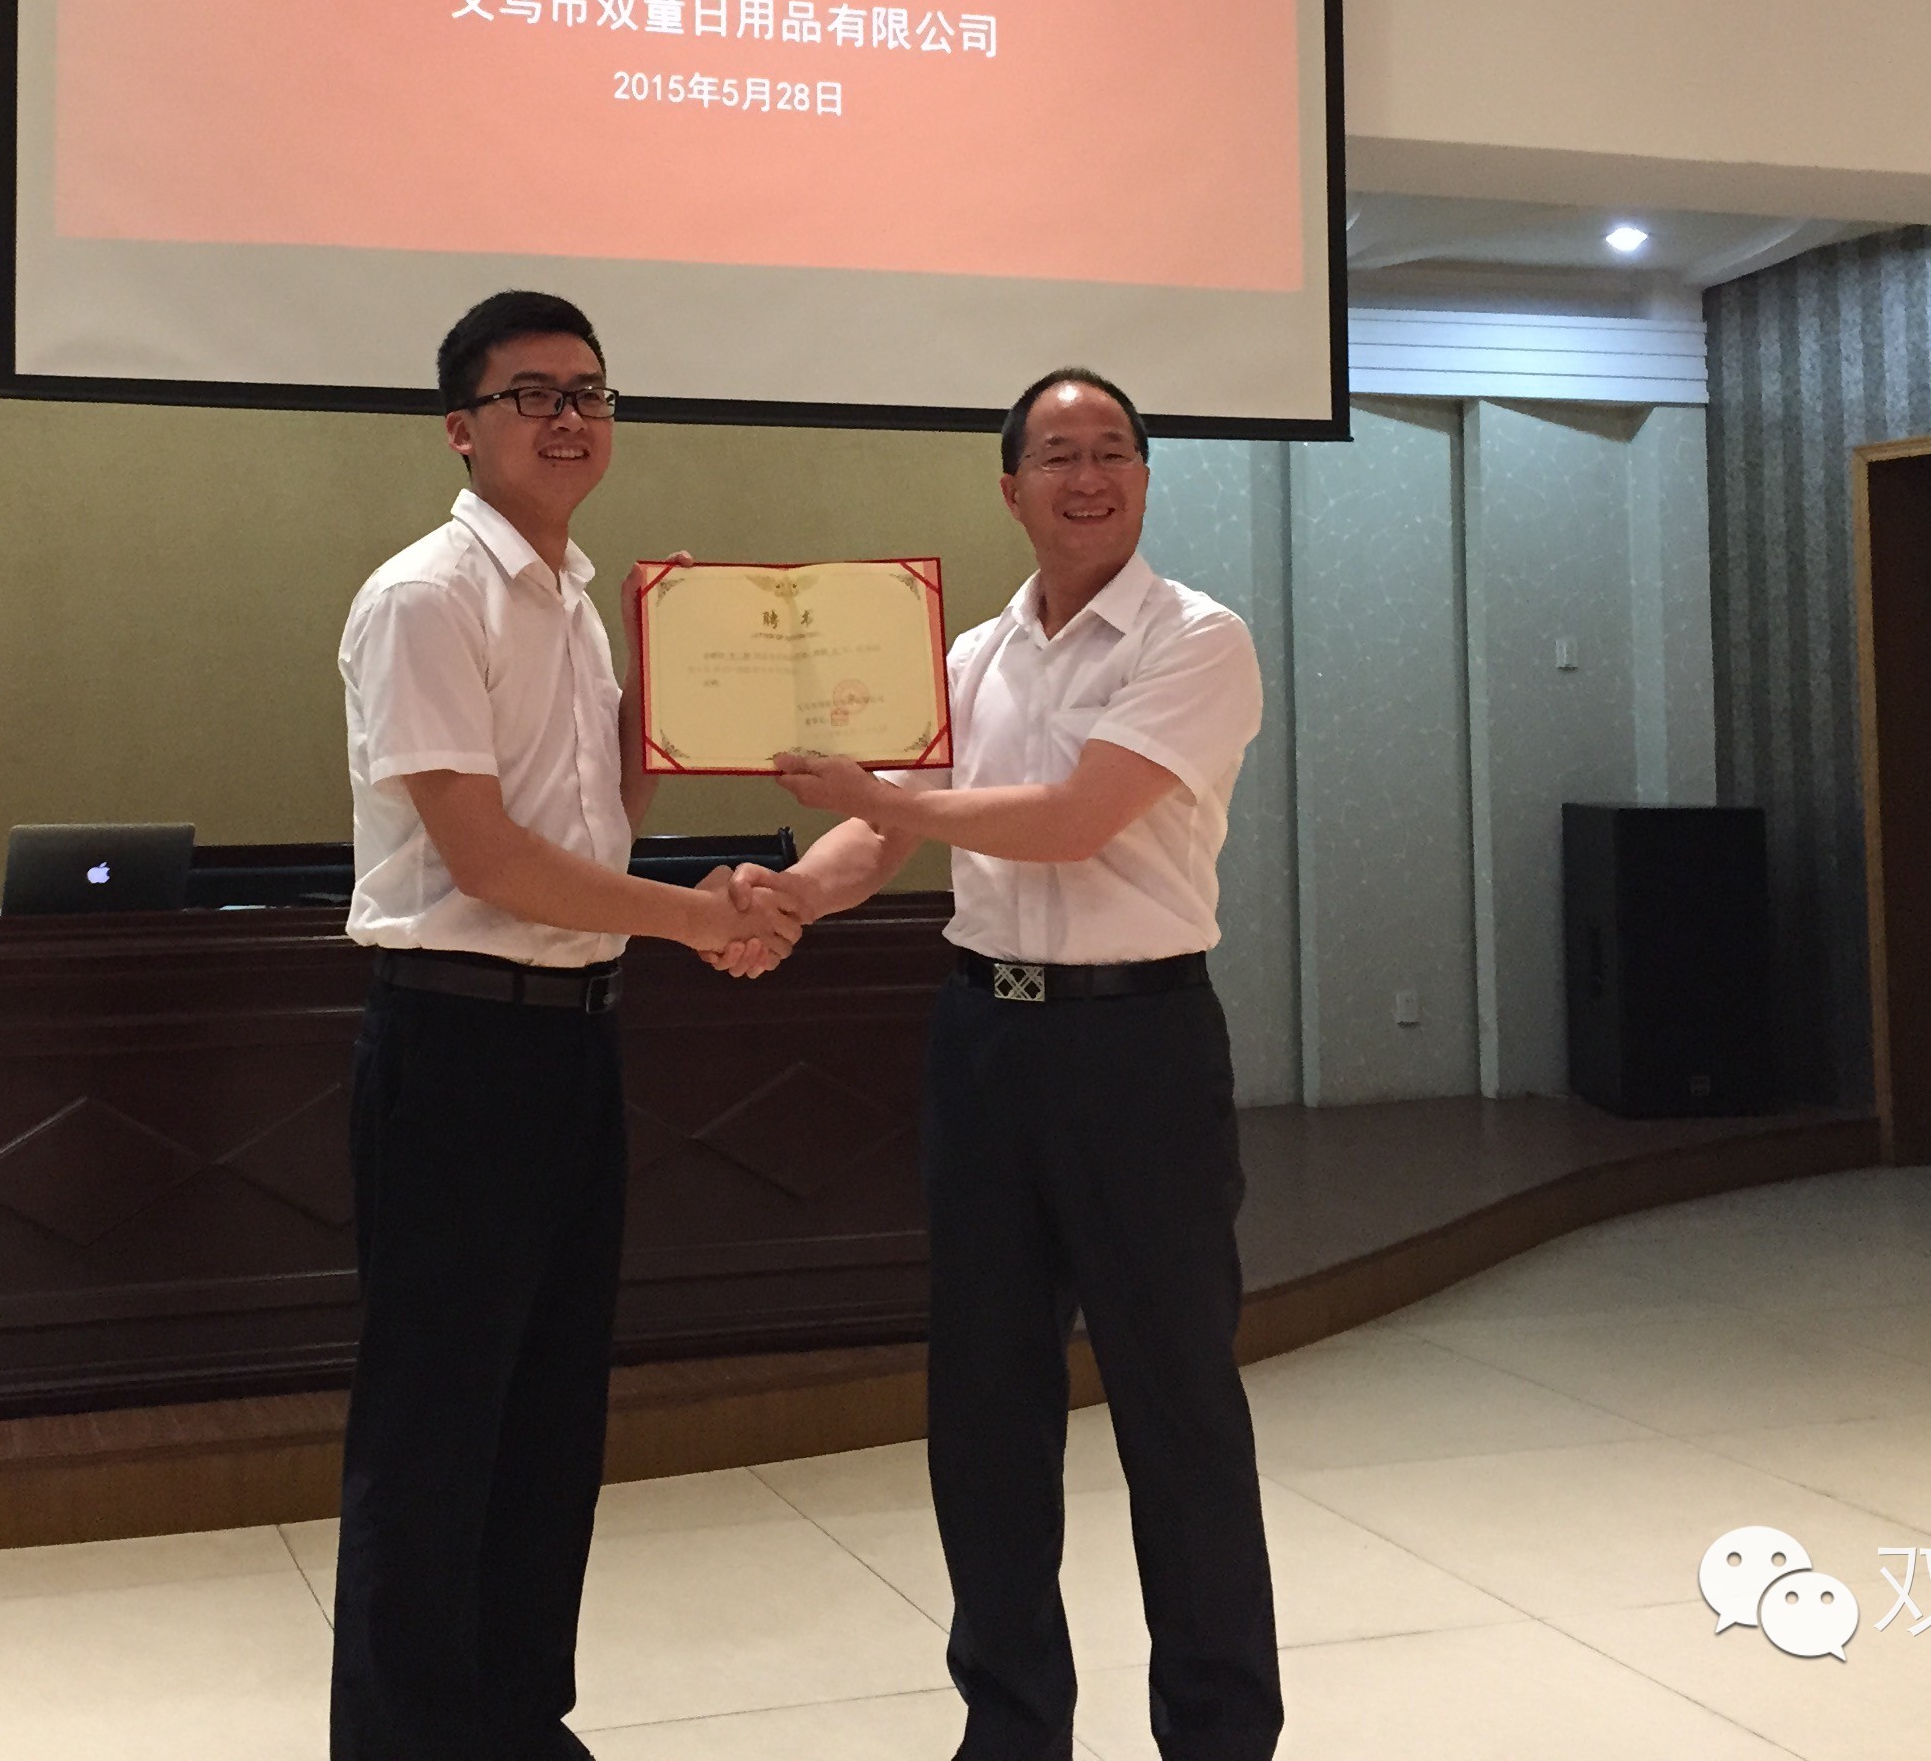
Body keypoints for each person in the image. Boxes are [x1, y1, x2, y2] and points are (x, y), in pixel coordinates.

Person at [763, 366, 1280, 1761]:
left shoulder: (1197, 639)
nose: (1088, 476)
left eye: (1113, 450)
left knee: (1177, 1404)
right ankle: (1009, 1728)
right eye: (1058, 454)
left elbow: (1071, 819)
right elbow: (884, 835)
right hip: (984, 1040)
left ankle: (1220, 1734)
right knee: (985, 1408)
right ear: (1011, 489)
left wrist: (884, 800)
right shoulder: (969, 658)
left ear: (1144, 477)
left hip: (1139, 1047)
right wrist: (786, 896)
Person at [331, 289, 801, 1761]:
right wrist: (698, 919)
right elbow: (489, 861)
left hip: (571, 1042)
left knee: (548, 1417)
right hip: (458, 1047)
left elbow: (597, 812)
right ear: (461, 430)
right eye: (531, 393)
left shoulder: (579, 599)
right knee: (435, 1429)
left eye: (590, 391)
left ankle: (520, 1722)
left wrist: (672, 689)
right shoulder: (426, 597)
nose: (570, 417)